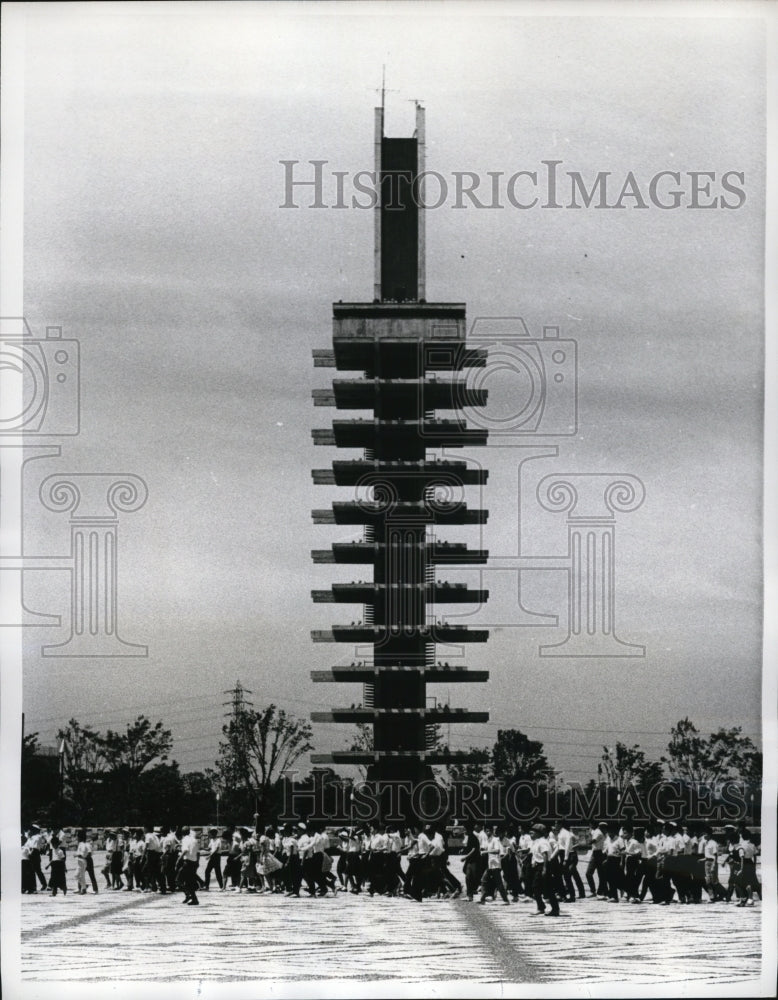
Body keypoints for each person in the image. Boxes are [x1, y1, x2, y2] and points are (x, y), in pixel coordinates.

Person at [529, 823, 559, 916]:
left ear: (538, 833)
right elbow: (535, 854)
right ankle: (547, 908)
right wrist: (534, 862)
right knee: (545, 888)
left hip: (544, 866)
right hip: (539, 866)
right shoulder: (537, 842)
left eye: (532, 833)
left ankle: (545, 908)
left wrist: (544, 869)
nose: (531, 835)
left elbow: (545, 855)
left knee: (539, 887)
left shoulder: (543, 842)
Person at [478, 825, 510, 905]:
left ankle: (505, 900)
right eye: (486, 831)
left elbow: (497, 850)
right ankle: (483, 898)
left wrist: (486, 852)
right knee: (483, 880)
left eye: (489, 831)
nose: (488, 833)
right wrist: (484, 850)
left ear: (492, 831)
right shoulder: (488, 840)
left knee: (498, 883)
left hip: (495, 864)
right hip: (490, 864)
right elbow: (485, 848)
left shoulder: (495, 840)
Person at [179, 826, 200, 905]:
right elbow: (198, 852)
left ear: (183, 832)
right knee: (189, 881)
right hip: (194, 862)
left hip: (187, 862)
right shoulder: (194, 840)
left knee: (179, 880)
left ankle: (189, 895)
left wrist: (179, 859)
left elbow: (185, 850)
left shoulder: (185, 840)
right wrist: (197, 861)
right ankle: (193, 898)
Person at [586, 821, 607, 898]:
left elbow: (591, 842)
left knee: (599, 874)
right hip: (595, 853)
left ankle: (599, 892)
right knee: (593, 873)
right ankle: (597, 891)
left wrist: (588, 835)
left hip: (598, 854)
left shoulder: (598, 833)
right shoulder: (596, 832)